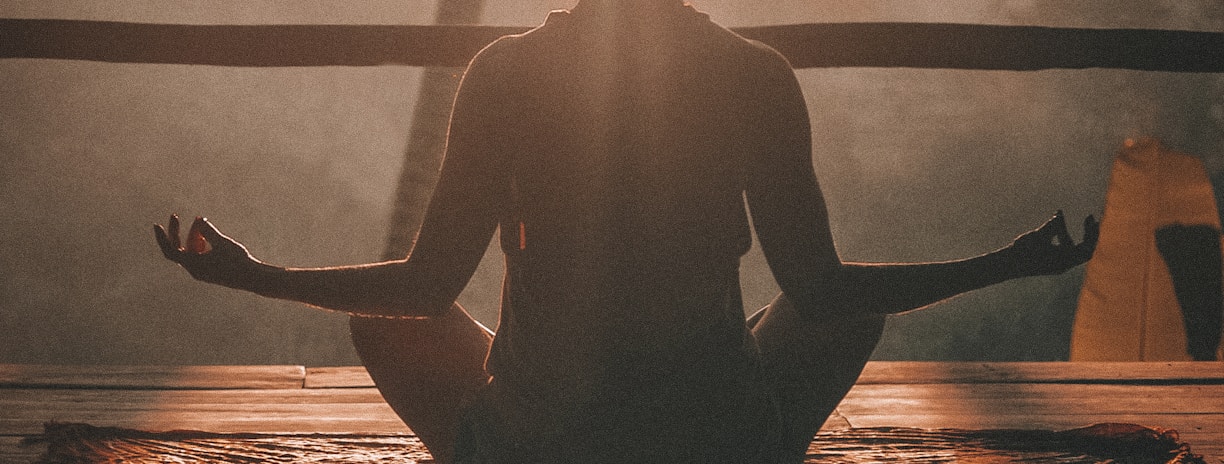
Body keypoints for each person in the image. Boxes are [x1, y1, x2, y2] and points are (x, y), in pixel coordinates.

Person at [155, 0, 1098, 462]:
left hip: (542, 442)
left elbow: (423, 287)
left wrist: (256, 273)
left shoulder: (508, 72)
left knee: (382, 325)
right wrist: (1007, 264)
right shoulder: (751, 74)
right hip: (713, 439)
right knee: (846, 311)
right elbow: (823, 292)